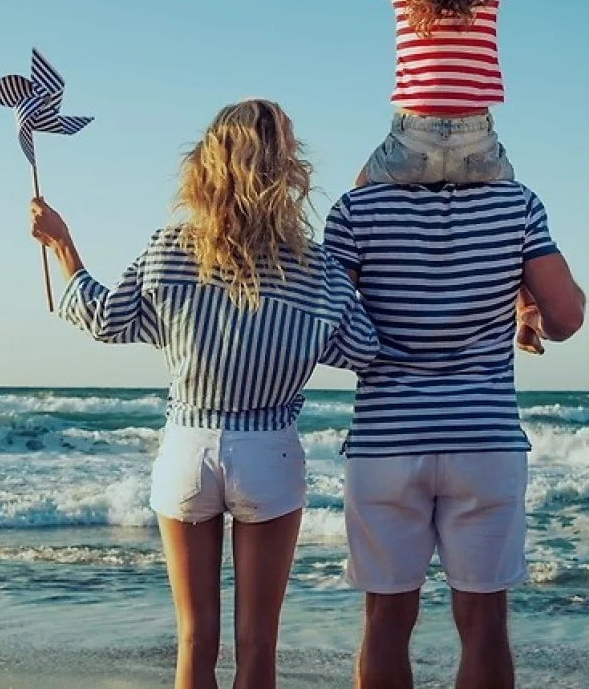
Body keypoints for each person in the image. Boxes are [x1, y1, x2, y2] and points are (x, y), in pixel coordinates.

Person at [29, 99, 379, 689]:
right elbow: (365, 350)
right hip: (270, 451)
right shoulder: (315, 268)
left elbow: (110, 320)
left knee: (194, 642)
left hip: (188, 449)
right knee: (258, 644)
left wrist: (62, 247)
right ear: (285, 168)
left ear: (207, 164)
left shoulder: (170, 247)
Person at [205, 0, 589, 356]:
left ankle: (335, 316)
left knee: (356, 206)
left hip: (411, 141)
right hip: (477, 142)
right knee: (520, 230)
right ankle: (526, 312)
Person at [323, 177, 586, 688]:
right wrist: (534, 308)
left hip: (387, 443)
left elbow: (328, 319)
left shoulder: (358, 208)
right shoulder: (517, 204)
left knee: (386, 622)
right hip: (484, 441)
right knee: (484, 623)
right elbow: (566, 319)